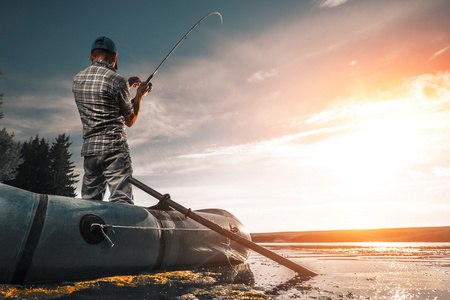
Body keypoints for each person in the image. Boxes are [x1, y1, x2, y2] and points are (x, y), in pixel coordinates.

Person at [73, 36, 151, 204]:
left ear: (91, 56)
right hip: (114, 149)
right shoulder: (117, 80)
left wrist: (127, 86)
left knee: (90, 202)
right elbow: (129, 120)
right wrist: (138, 97)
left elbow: (101, 98)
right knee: (121, 201)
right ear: (114, 57)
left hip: (90, 151)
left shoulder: (77, 79)